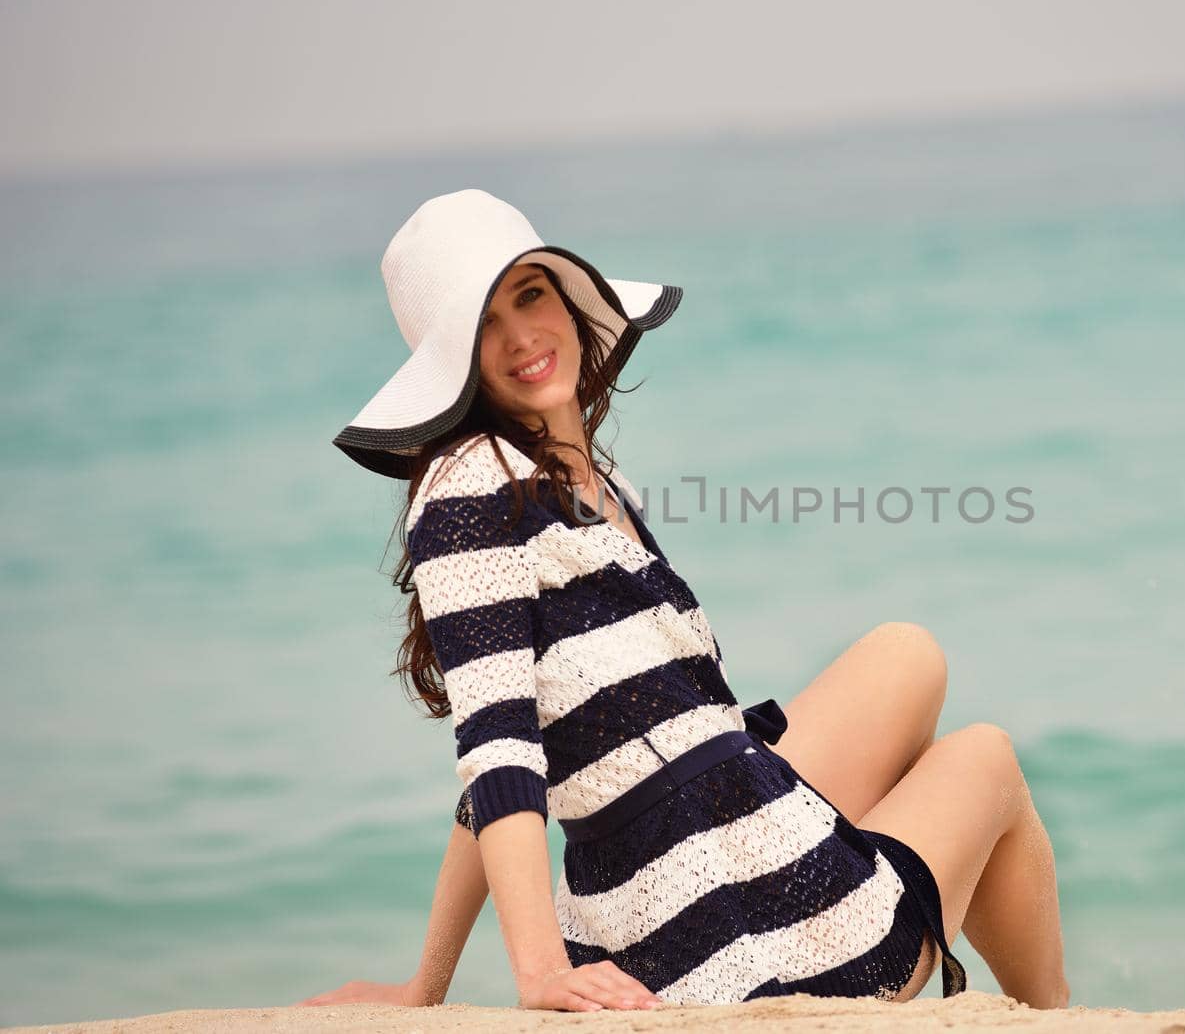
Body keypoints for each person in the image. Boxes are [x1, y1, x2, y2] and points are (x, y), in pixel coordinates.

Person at [299, 189, 1071, 1012]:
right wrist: (538, 971)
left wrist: (428, 985)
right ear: (456, 364)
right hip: (708, 923)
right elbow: (499, 751)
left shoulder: (595, 484)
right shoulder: (472, 487)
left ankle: (825, 853)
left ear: (567, 299)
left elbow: (525, 735)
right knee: (986, 758)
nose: (521, 335)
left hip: (722, 809)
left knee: (906, 656)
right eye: (484, 324)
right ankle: (1065, 1023)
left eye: (531, 294)